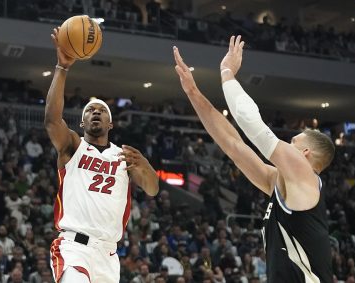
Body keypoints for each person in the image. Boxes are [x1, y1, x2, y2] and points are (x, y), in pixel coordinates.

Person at [173, 35, 335, 282]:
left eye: (292, 142)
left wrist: (227, 72)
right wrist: (193, 93)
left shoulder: (305, 174)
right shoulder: (278, 182)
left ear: (304, 155)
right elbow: (234, 145)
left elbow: (251, 123)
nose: (286, 145)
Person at [45, 27, 159, 283]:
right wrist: (62, 68)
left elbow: (152, 189)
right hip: (74, 248)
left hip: (108, 256)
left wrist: (146, 166)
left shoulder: (125, 156)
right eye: (89, 111)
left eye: (101, 110)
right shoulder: (73, 146)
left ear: (110, 124)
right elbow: (52, 121)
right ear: (83, 123)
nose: (95, 112)